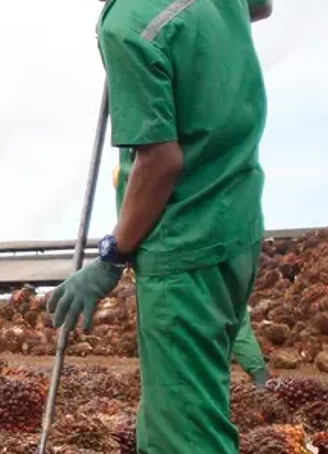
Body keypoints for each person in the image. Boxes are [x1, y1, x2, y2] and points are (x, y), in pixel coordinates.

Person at [16, 0, 271, 454]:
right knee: (165, 409)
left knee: (191, 419)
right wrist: (201, 45)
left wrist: (110, 258)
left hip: (184, 241)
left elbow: (159, 162)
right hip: (235, 225)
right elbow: (256, 3)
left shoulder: (126, 25)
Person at [112, 163, 270, 389]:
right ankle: (255, 376)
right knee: (228, 317)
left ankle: (236, 379)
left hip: (172, 260)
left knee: (182, 330)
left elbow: (134, 218)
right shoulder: (209, 170)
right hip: (208, 247)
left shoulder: (139, 171)